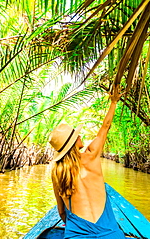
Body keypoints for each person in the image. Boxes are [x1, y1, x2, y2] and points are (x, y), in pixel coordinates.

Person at [48, 85, 125, 238]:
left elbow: (62, 212)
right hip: (109, 232)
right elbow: (105, 127)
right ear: (73, 142)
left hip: (76, 234)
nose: (80, 135)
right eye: (77, 135)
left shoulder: (57, 173)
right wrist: (114, 102)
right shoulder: (92, 155)